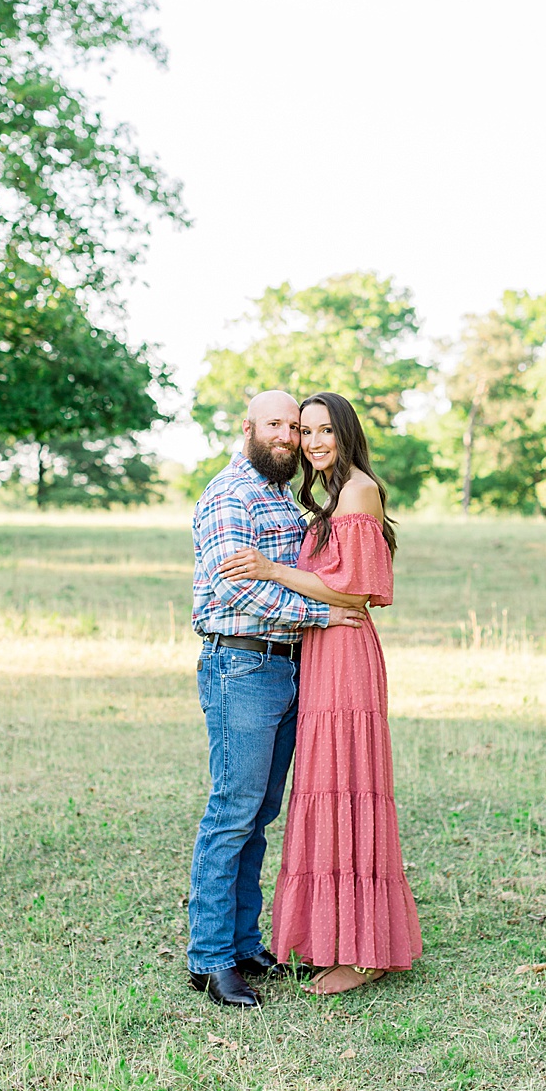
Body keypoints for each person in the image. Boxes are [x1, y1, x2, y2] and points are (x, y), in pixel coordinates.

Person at [218, 390, 423, 995]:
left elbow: (356, 591)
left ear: (347, 433)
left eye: (325, 430)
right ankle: (336, 937)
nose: (313, 442)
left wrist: (272, 569)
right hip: (321, 649)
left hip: (346, 650)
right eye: (306, 432)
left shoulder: (358, 489)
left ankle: (365, 953)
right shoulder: (326, 496)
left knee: (349, 788)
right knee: (323, 789)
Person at [188, 390, 367, 1009]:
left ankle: (242, 942)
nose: (288, 437)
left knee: (260, 815)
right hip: (241, 663)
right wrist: (322, 614)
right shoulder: (229, 495)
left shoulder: (279, 496)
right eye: (276, 425)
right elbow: (238, 595)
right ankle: (210, 959)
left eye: (295, 427)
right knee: (232, 812)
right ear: (247, 428)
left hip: (287, 667)